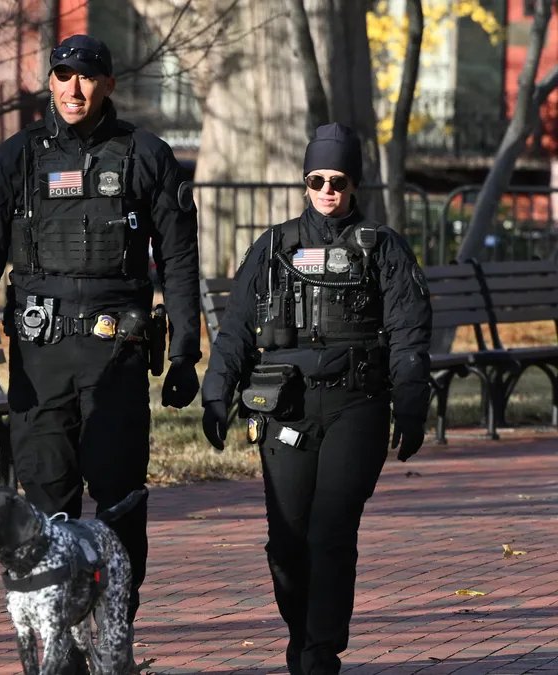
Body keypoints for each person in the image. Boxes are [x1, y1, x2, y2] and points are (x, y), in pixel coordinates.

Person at [0, 34, 202, 670]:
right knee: (44, 508)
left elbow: (177, 259)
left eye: (85, 77)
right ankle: (55, 652)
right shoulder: (18, 160)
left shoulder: (146, 155)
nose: (71, 88)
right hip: (40, 361)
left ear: (107, 85)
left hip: (115, 358)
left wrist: (183, 350)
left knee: (118, 502)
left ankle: (111, 641)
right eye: (61, 76)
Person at [200, 123, 432, 675]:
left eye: (338, 180)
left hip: (358, 405)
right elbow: (235, 327)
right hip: (286, 409)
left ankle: (320, 651)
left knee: (330, 533)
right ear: (305, 182)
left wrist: (412, 403)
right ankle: (302, 634)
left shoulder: (383, 249)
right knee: (286, 541)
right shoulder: (275, 247)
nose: (327, 190)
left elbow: (409, 331)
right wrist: (217, 391)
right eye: (316, 179)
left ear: (354, 183)